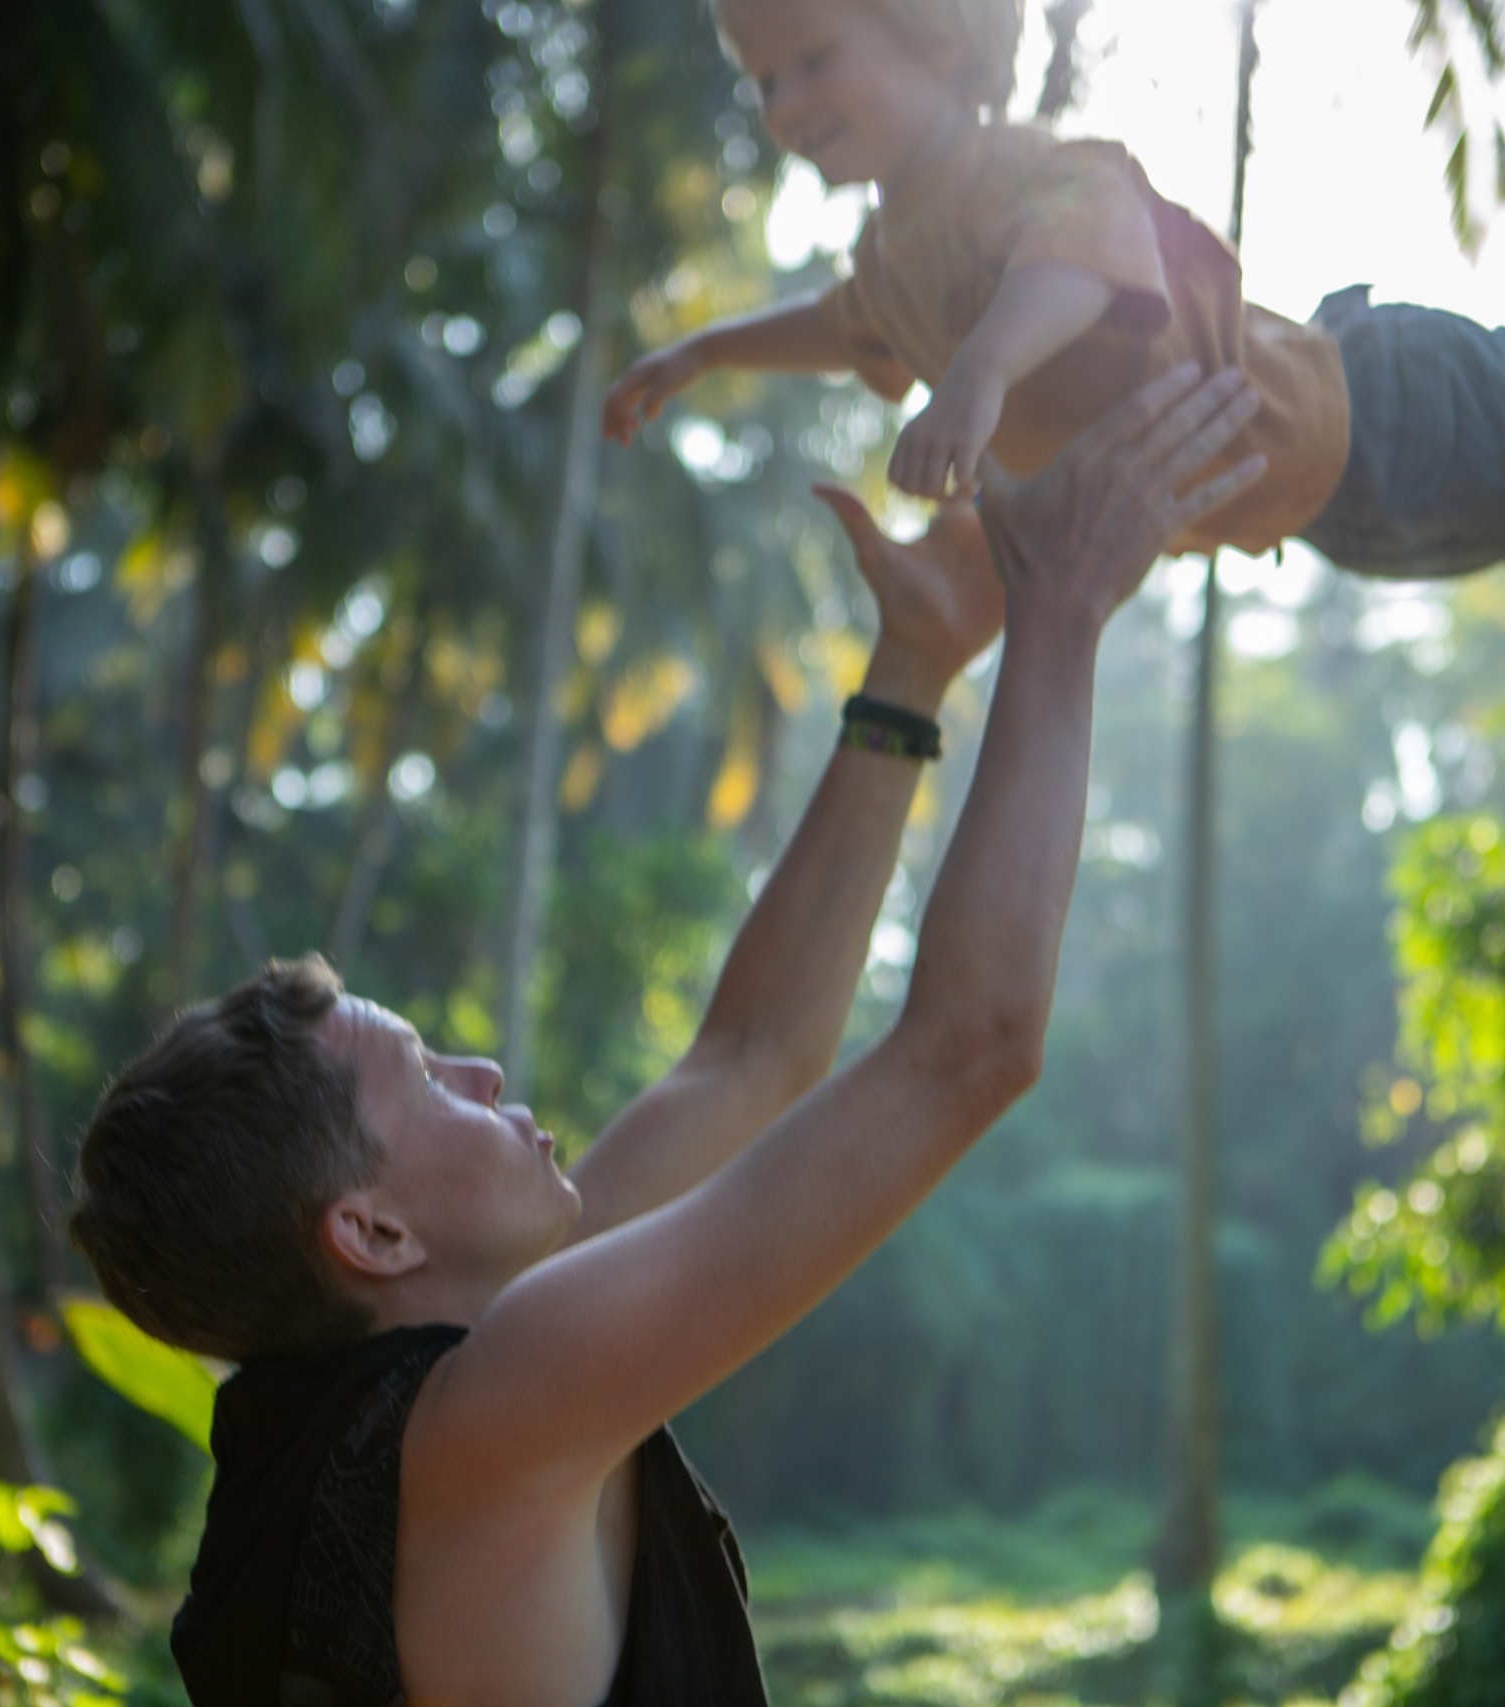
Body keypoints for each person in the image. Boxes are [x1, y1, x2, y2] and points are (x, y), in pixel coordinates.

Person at [65, 365, 1269, 1706]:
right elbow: (972, 1046)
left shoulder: (445, 1369)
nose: (486, 1075)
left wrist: (915, 665)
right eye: (429, 1080)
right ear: (377, 1236)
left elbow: (749, 1058)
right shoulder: (490, 1410)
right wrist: (1063, 613)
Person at [602, 0, 1505, 572]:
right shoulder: (891, 251)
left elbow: (1085, 254)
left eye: (815, 59)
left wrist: (983, 377)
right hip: (1359, 405)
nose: (789, 100)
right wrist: (709, 355)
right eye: (764, 80)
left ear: (931, 35)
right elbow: (848, 325)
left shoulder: (1015, 167)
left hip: (1362, 448)